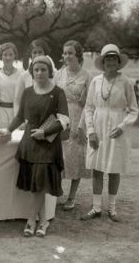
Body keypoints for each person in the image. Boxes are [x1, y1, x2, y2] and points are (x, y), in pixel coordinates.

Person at [8, 55, 69, 237]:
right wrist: (6, 131)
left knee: (39, 183)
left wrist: (45, 133)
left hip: (48, 145)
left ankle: (30, 220)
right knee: (38, 185)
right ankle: (43, 222)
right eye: (36, 70)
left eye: (43, 69)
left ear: (49, 72)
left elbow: (64, 120)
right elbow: (20, 117)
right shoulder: (27, 92)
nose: (40, 73)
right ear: (32, 72)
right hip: (29, 143)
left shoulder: (58, 93)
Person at [81, 44, 138, 222]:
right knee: (97, 169)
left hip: (117, 129)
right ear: (103, 62)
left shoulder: (126, 82)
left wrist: (122, 126)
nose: (110, 62)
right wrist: (90, 131)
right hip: (98, 127)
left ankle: (112, 209)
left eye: (114, 58)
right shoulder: (96, 81)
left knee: (114, 169)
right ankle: (96, 207)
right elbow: (89, 107)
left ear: (118, 62)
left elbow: (134, 110)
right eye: (107, 59)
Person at [53, 40, 92, 210]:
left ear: (77, 55)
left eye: (70, 53)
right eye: (65, 53)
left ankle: (72, 196)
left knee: (76, 158)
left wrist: (82, 126)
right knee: (58, 157)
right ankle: (55, 192)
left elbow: (89, 104)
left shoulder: (86, 76)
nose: (67, 56)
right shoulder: (58, 74)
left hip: (78, 118)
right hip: (60, 118)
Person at [0, 43, 25, 128]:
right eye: (5, 55)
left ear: (15, 56)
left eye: (11, 54)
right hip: (1, 113)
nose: (8, 57)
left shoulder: (21, 74)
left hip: (18, 113)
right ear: (1, 56)